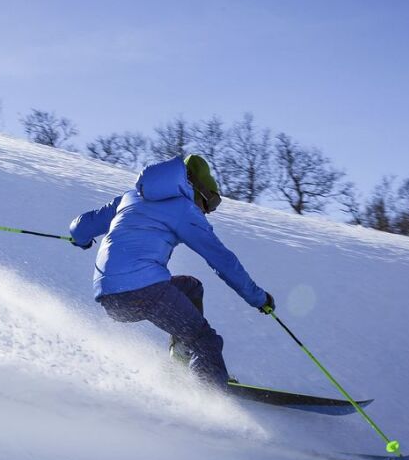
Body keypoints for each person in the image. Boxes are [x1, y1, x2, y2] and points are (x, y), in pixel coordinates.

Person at [69, 154, 275, 389]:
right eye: (211, 202)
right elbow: (222, 260)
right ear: (198, 190)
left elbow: (81, 227)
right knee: (204, 340)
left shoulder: (130, 197)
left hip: (110, 298)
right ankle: (209, 393)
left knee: (191, 287)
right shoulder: (184, 210)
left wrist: (81, 239)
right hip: (144, 290)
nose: (208, 211)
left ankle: (180, 362)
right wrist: (258, 298)